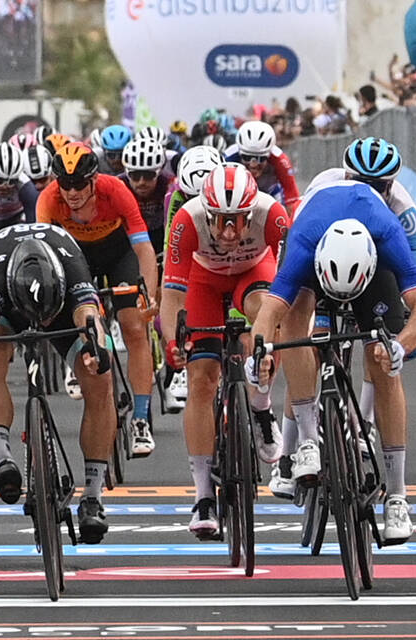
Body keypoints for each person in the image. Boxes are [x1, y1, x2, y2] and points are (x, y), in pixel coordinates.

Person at [246, 181, 416, 545]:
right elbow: (269, 312)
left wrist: (400, 345)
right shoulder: (304, 242)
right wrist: (260, 354)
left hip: (371, 267)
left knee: (382, 363)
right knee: (293, 322)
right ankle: (305, 441)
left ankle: (397, 496)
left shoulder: (387, 235)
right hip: (314, 252)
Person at [270, 138, 416, 500]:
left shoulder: (402, 212)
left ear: (392, 185)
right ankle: (290, 454)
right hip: (322, 258)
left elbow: (415, 280)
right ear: (345, 174)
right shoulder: (323, 192)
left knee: (381, 349)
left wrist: (404, 337)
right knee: (306, 341)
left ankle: (365, 426)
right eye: (359, 180)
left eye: (378, 186)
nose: (366, 191)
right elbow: (297, 263)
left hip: (377, 264)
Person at [0, 222, 114, 543]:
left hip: (62, 306)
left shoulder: (72, 268)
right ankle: (3, 459)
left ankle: (94, 496)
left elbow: (89, 317)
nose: (40, 325)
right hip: (10, 307)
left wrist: (94, 349)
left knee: (100, 379)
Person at [159, 164, 289, 537]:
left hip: (254, 274)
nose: (229, 232)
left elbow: (289, 288)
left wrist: (272, 342)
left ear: (252, 212)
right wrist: (173, 343)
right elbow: (172, 296)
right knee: (201, 380)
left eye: (237, 221)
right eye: (220, 221)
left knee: (263, 315)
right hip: (204, 281)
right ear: (207, 212)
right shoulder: (187, 220)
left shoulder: (273, 216)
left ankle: (261, 410)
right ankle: (203, 496)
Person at [37, 142, 158, 457]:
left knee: (134, 326)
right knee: (83, 316)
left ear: (93, 180)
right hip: (75, 255)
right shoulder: (48, 199)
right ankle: (83, 356)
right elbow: (45, 254)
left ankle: (141, 419)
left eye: (78, 184)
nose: (72, 191)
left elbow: (143, 247)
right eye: (65, 184)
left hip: (117, 253)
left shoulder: (114, 189)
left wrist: (149, 294)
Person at [158, 145, 224, 411]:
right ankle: (178, 368)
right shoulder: (173, 199)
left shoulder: (236, 187)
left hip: (229, 254)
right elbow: (172, 252)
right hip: (193, 252)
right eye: (190, 199)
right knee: (170, 297)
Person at [224, 121, 300, 213]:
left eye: (260, 158)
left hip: (271, 194)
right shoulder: (228, 157)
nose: (253, 164)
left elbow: (291, 195)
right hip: (238, 195)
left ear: (269, 154)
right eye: (246, 157)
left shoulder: (280, 159)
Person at [120, 137, 175, 254]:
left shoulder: (170, 186)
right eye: (135, 175)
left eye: (148, 175)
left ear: (159, 172)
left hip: (161, 237)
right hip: (127, 240)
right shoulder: (118, 185)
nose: (141, 182)